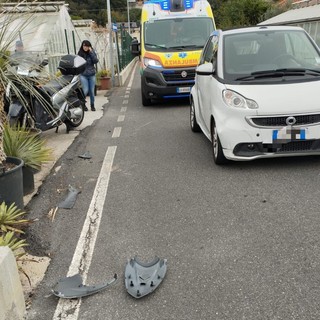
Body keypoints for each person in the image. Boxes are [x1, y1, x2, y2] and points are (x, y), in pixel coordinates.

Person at [77, 40, 99, 111]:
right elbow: (78, 64)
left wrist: (91, 52)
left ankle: (92, 105)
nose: (85, 47)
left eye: (87, 46)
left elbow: (95, 61)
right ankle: (83, 105)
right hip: (83, 75)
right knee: (85, 90)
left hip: (92, 75)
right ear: (82, 46)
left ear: (89, 46)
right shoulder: (80, 53)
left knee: (92, 91)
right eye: (84, 46)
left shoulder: (91, 53)